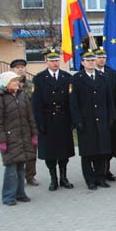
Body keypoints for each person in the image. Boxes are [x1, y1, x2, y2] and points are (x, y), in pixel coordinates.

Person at [70, 50, 116, 190]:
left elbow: (109, 99)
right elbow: (74, 102)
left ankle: (100, 178)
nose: (90, 62)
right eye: (87, 60)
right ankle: (90, 180)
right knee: (88, 153)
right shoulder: (77, 79)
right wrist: (77, 120)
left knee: (101, 152)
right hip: (86, 121)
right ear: (82, 63)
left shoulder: (103, 77)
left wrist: (111, 117)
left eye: (92, 60)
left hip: (102, 119)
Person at [0, 71, 38, 205]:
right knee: (11, 169)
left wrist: (34, 134)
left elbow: (30, 117)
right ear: (7, 83)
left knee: (21, 168)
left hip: (23, 137)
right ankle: (8, 197)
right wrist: (1, 141)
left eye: (18, 80)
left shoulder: (22, 95)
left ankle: (20, 194)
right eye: (14, 81)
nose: (18, 83)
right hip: (10, 139)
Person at [31, 49, 75, 191]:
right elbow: (36, 104)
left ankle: (63, 177)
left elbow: (71, 101)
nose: (55, 63)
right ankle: (53, 179)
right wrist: (40, 123)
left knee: (64, 151)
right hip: (47, 119)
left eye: (57, 60)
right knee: (50, 152)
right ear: (46, 61)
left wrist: (72, 120)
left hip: (63, 119)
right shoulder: (39, 78)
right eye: (52, 60)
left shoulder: (67, 77)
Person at [95, 46, 116, 182]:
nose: (102, 60)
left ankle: (107, 170)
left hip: (110, 115)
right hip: (95, 115)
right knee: (97, 145)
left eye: (104, 57)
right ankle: (97, 171)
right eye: (99, 57)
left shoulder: (112, 73)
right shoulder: (89, 73)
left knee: (109, 145)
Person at [9, 58, 38, 186]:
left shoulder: (31, 85)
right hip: (14, 124)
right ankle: (16, 177)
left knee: (31, 151)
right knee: (16, 152)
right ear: (12, 70)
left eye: (23, 67)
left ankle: (30, 176)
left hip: (30, 123)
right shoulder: (8, 86)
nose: (20, 69)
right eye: (17, 67)